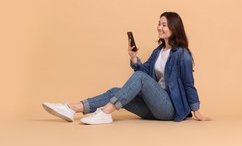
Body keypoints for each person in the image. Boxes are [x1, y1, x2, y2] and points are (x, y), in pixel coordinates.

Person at [42, 12, 210, 124]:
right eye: (159, 23)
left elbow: (188, 83)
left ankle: (106, 112)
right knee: (115, 90)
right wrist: (134, 58)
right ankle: (71, 108)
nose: (159, 27)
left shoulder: (182, 54)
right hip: (153, 107)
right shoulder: (158, 51)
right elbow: (144, 73)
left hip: (169, 109)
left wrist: (197, 111)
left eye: (164, 25)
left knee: (140, 79)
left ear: (174, 28)